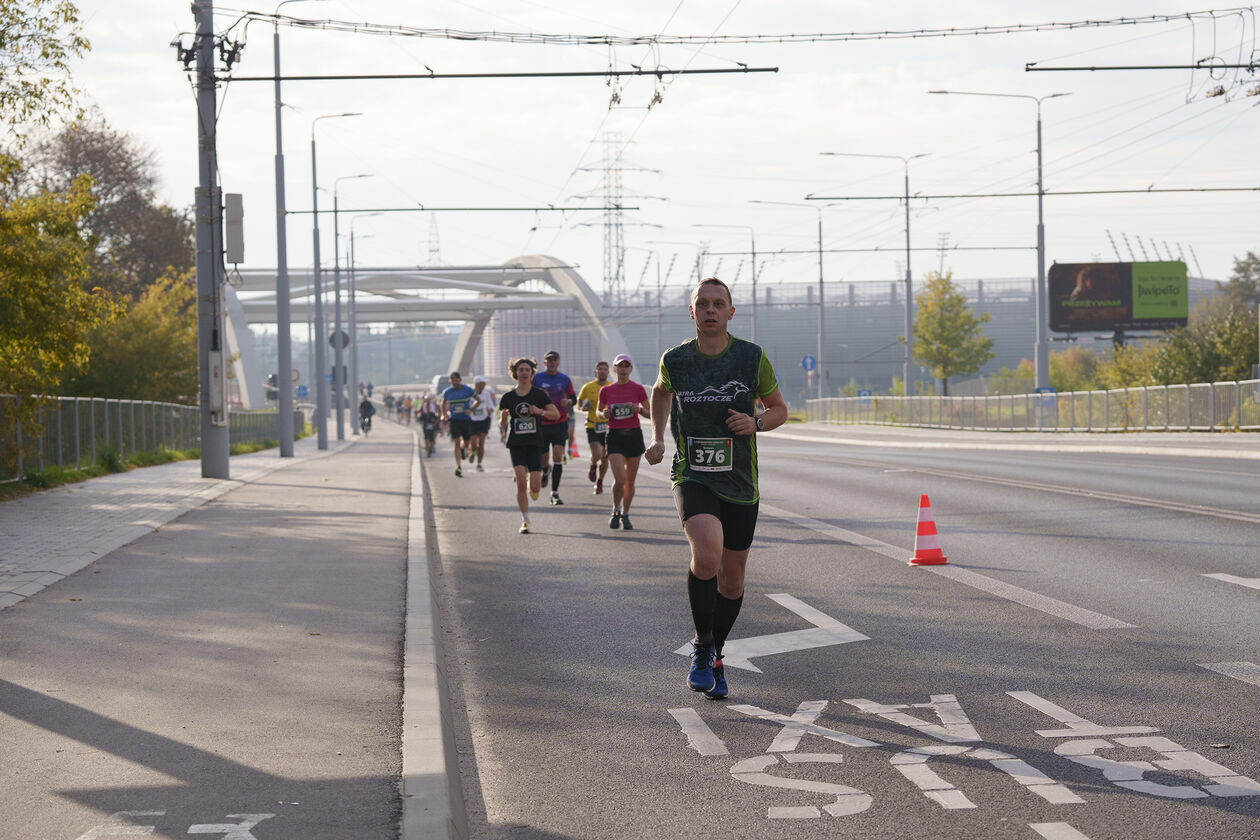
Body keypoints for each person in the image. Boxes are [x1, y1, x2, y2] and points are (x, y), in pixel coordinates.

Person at [645, 277, 787, 701]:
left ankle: (718, 652)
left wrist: (757, 423)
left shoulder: (750, 357)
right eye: (702, 304)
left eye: (717, 304)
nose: (710, 310)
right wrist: (657, 437)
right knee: (706, 551)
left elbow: (779, 409)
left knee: (732, 580)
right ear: (692, 313)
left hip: (740, 481)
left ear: (730, 312)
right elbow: (659, 391)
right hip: (693, 473)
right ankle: (702, 646)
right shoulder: (676, 359)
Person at [499, 357, 559, 534]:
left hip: (534, 443)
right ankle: (525, 520)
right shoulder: (508, 397)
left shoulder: (539, 394)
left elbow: (555, 414)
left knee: (534, 488)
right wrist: (502, 420)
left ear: (532, 373)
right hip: (516, 443)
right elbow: (502, 425)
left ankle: (534, 480)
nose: (524, 372)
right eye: (520, 370)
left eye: (527, 370)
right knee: (519, 483)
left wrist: (539, 411)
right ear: (515, 373)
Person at [598, 354, 650, 531]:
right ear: (615, 369)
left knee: (630, 482)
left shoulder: (638, 389)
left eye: (626, 366)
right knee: (620, 479)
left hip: (634, 435)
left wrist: (639, 409)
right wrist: (603, 414)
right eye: (620, 366)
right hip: (614, 436)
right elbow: (598, 412)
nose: (623, 369)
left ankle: (625, 513)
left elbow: (651, 413)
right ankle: (615, 509)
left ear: (631, 369)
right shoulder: (606, 390)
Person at [532, 350, 576, 505]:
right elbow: (528, 395)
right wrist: (538, 396)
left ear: (558, 362)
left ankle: (555, 492)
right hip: (542, 423)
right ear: (544, 363)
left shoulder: (564, 379)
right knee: (544, 460)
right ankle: (545, 470)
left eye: (554, 360)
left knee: (558, 456)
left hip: (559, 423)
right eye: (549, 360)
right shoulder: (537, 378)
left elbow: (573, 398)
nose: (552, 363)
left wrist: (568, 403)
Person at [576, 361, 612, 494]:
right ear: (595, 372)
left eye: (605, 369)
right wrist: (582, 407)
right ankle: (592, 465)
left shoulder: (611, 386)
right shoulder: (588, 386)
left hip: (608, 426)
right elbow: (579, 402)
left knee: (605, 457)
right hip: (592, 424)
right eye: (600, 369)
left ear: (608, 372)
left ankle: (600, 481)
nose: (602, 371)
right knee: (596, 454)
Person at [441, 371, 476, 477]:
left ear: (460, 380)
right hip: (454, 419)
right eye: (452, 379)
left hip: (465, 419)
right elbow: (442, 402)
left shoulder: (467, 389)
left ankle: (464, 449)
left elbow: (478, 400)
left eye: (456, 379)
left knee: (466, 442)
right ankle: (458, 467)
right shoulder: (447, 392)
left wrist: (471, 409)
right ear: (450, 381)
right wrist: (443, 415)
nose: (454, 381)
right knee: (456, 442)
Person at [468, 375, 496, 472]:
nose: (484, 386)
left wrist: (490, 410)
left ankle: (479, 464)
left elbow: (492, 406)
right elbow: (466, 406)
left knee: (482, 443)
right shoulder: (469, 393)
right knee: (474, 443)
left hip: (484, 420)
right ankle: (473, 452)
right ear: (477, 384)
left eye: (484, 384)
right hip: (472, 420)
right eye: (482, 384)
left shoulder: (486, 394)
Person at [418, 393, 439, 457]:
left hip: (433, 421)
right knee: (426, 437)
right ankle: (427, 448)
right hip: (426, 421)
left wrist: (436, 419)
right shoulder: (422, 405)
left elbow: (438, 412)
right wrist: (420, 418)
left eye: (428, 399)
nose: (427, 400)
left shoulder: (434, 405)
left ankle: (431, 446)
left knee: (433, 437)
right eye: (426, 399)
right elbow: (419, 413)